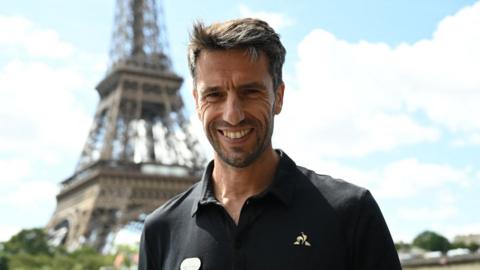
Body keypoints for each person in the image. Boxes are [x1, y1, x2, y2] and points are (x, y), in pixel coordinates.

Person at [138, 18, 401, 270]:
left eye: (250, 92)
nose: (233, 115)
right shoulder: (160, 230)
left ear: (279, 96)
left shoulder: (351, 213)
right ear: (196, 102)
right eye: (214, 95)